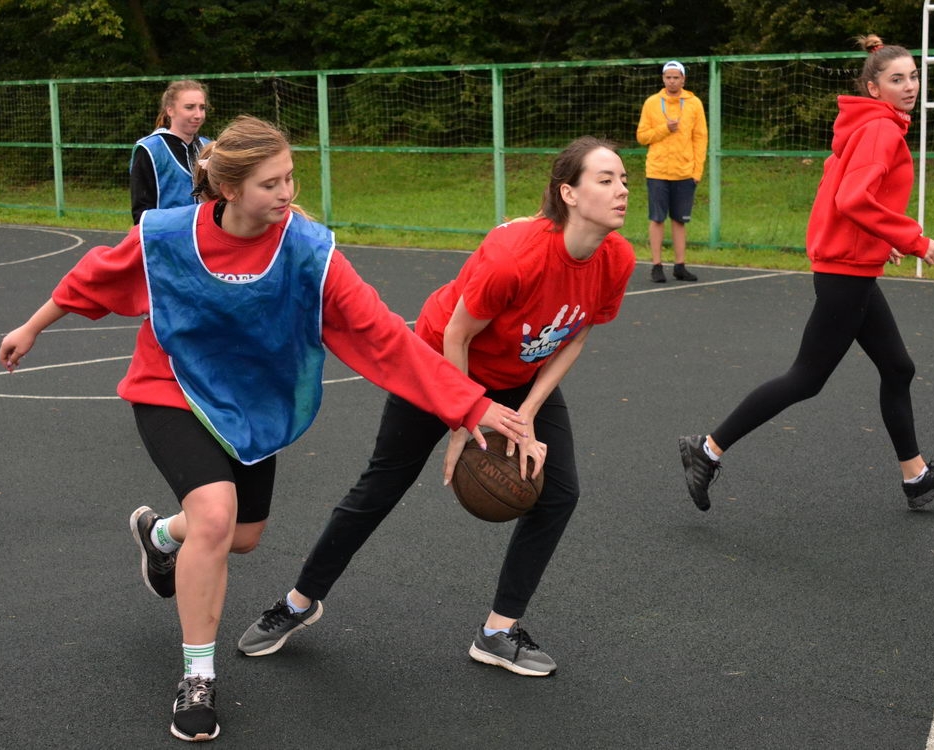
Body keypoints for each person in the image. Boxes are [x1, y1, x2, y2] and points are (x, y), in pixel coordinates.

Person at [0, 115, 526, 742]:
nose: (286, 193)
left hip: (253, 405)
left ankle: (162, 536)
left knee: (240, 537)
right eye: (270, 183)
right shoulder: (168, 236)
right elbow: (95, 275)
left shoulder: (308, 251)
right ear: (230, 189)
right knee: (216, 518)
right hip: (172, 387)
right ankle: (198, 678)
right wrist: (32, 326)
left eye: (290, 178)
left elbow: (384, 336)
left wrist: (470, 404)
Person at [236, 136, 636, 678]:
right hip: (438, 360)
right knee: (381, 486)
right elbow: (457, 333)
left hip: (519, 374)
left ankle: (498, 631)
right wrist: (462, 419)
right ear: (568, 192)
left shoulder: (617, 258)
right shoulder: (515, 258)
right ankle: (299, 603)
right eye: (606, 179)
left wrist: (528, 415)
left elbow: (575, 335)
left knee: (559, 492)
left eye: (624, 180)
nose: (622, 190)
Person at [678, 35, 934, 512]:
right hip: (845, 274)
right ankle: (706, 450)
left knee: (898, 368)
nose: (909, 85)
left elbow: (837, 189)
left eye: (913, 76)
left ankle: (915, 476)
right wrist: (911, 239)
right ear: (874, 88)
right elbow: (852, 199)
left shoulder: (868, 126)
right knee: (806, 378)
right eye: (897, 79)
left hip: (850, 267)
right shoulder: (880, 131)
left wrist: (879, 241)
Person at [636, 60, 707, 283]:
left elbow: (700, 139)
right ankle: (656, 265)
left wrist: (697, 172)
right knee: (657, 219)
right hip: (657, 171)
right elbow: (642, 136)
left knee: (679, 220)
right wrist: (664, 129)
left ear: (683, 79)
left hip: (684, 172)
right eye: (668, 77)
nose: (672, 81)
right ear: (663, 79)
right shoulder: (652, 103)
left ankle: (680, 265)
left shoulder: (694, 104)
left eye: (676, 77)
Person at [129, 79, 211, 224]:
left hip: (204, 240)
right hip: (166, 240)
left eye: (202, 107)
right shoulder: (149, 150)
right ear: (170, 110)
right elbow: (141, 215)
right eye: (190, 107)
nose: (198, 115)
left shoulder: (209, 147)